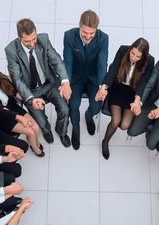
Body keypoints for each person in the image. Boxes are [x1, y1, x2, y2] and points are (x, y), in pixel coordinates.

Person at [5, 18, 71, 147]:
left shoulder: (43, 39)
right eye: (27, 41)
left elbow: (56, 60)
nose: (32, 43)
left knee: (65, 109)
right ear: (19, 38)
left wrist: (65, 82)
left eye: (34, 38)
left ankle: (61, 131)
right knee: (40, 121)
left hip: (50, 83)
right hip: (31, 91)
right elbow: (17, 79)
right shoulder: (11, 50)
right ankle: (46, 130)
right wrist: (30, 98)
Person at [95, 38, 155, 159]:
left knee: (124, 125)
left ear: (143, 57)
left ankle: (111, 133)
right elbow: (113, 70)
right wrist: (104, 87)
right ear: (130, 49)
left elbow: (144, 82)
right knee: (116, 121)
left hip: (133, 92)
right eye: (132, 53)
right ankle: (105, 141)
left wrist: (137, 100)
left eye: (138, 56)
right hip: (118, 88)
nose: (133, 58)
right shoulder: (123, 50)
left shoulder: (149, 61)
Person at [0, 64, 44, 157]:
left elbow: (15, 93)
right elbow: (0, 109)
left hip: (11, 106)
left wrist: (31, 101)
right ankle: (35, 148)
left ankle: (35, 142)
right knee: (30, 132)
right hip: (1, 116)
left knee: (36, 128)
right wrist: (20, 119)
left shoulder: (2, 78)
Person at [63, 10, 109, 150]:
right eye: (85, 32)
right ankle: (75, 131)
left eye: (92, 33)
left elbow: (102, 63)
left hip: (93, 78)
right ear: (79, 26)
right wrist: (66, 83)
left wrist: (102, 86)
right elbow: (68, 61)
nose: (88, 36)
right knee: (73, 105)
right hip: (75, 78)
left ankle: (88, 117)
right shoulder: (69, 36)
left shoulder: (103, 38)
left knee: (96, 107)